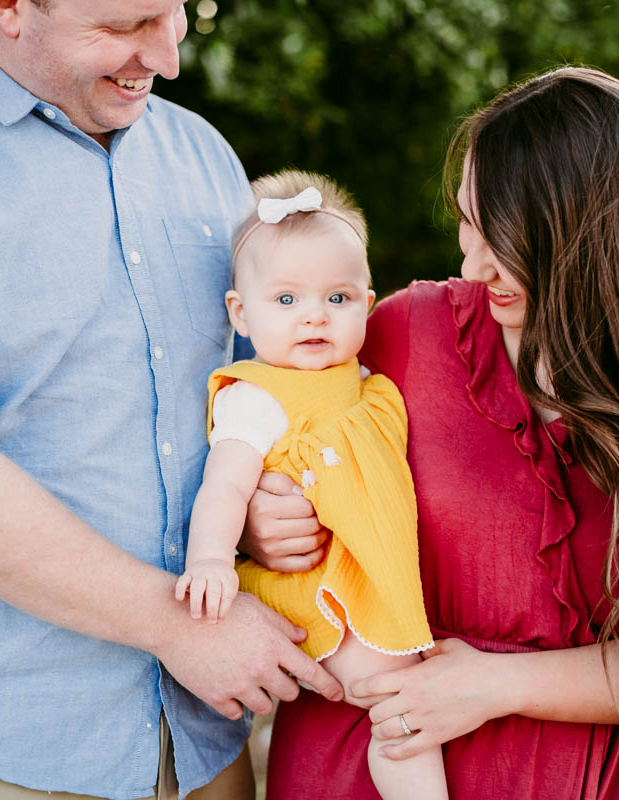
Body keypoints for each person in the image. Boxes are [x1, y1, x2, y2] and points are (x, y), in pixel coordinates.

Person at [0, 2, 343, 799]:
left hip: (202, 745)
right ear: (9, 6)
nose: (166, 56)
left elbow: (266, 395)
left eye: (173, 15)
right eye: (123, 27)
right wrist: (176, 624)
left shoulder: (200, 157)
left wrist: (256, 499)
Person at [240, 68, 619, 798]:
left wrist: (495, 684)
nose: (473, 261)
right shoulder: (407, 332)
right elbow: (256, 429)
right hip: (358, 769)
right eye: (468, 220)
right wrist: (257, 521)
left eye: (506, 236)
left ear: (598, 235)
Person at [174, 170, 446, 800]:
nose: (314, 318)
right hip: (311, 585)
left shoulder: (368, 385)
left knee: (407, 695)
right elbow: (224, 489)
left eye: (338, 298)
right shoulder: (259, 398)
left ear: (368, 305)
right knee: (399, 699)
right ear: (241, 314)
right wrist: (211, 560)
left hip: (354, 575)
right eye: (287, 301)